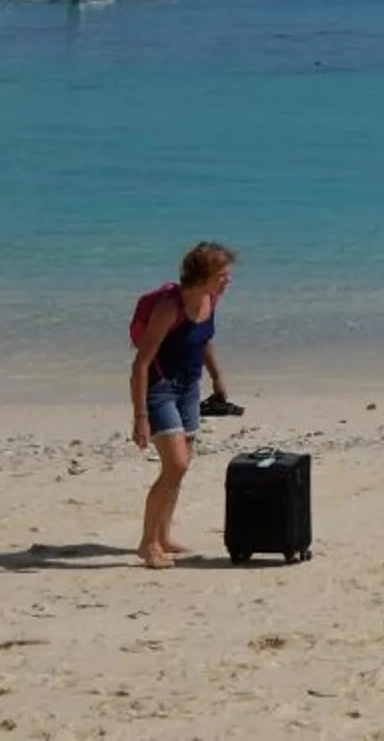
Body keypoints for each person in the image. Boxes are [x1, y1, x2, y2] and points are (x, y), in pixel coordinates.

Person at [129, 241, 237, 568]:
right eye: (222, 275)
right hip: (160, 388)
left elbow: (203, 340)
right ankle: (147, 544)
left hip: (190, 387)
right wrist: (140, 417)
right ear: (203, 276)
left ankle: (163, 536)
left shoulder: (211, 299)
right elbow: (141, 364)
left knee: (181, 466)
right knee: (175, 465)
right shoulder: (169, 308)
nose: (227, 281)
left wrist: (216, 378)